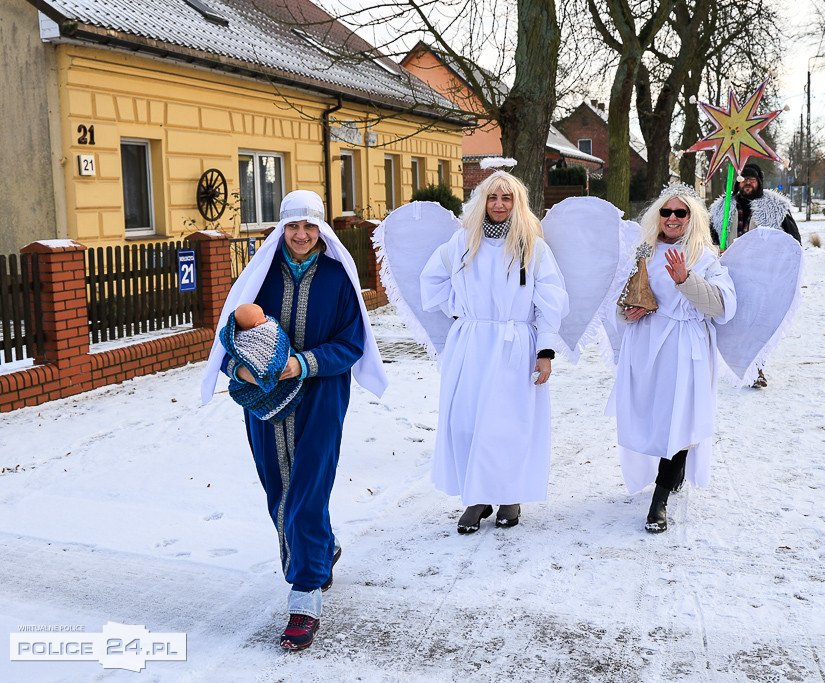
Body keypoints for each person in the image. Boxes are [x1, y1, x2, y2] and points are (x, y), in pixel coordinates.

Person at [200, 190, 388, 651]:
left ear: (322, 229)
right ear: (279, 229)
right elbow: (230, 337)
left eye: (309, 226)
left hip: (322, 394)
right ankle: (321, 545)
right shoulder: (258, 278)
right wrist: (240, 368)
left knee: (308, 489)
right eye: (292, 226)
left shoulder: (337, 278)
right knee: (278, 488)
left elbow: (350, 344)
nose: (301, 235)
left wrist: (300, 364)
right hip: (264, 400)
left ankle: (304, 595)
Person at [420, 171, 569, 534]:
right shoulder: (462, 243)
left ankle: (509, 496)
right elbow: (432, 280)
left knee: (508, 425)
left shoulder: (531, 246)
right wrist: (463, 310)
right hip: (472, 344)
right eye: (492, 197)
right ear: (482, 201)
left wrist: (545, 351)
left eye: (507, 198)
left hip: (515, 344)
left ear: (517, 203)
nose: (499, 204)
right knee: (468, 423)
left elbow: (550, 300)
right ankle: (478, 497)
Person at [609, 184, 736, 533]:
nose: (673, 218)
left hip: (685, 346)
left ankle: (660, 498)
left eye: (681, 213)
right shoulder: (645, 250)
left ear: (692, 217)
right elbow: (624, 295)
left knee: (680, 419)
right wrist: (628, 312)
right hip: (647, 344)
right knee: (652, 417)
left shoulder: (705, 257)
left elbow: (722, 306)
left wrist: (686, 279)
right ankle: (667, 476)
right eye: (666, 212)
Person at [710, 162, 801, 388]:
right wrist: (715, 249)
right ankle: (727, 364)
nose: (748, 182)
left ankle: (756, 367)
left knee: (757, 322)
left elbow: (793, 241)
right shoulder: (722, 208)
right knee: (729, 321)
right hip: (729, 274)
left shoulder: (776, 207)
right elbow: (708, 238)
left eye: (752, 179)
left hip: (762, 277)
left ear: (760, 182)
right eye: (743, 178)